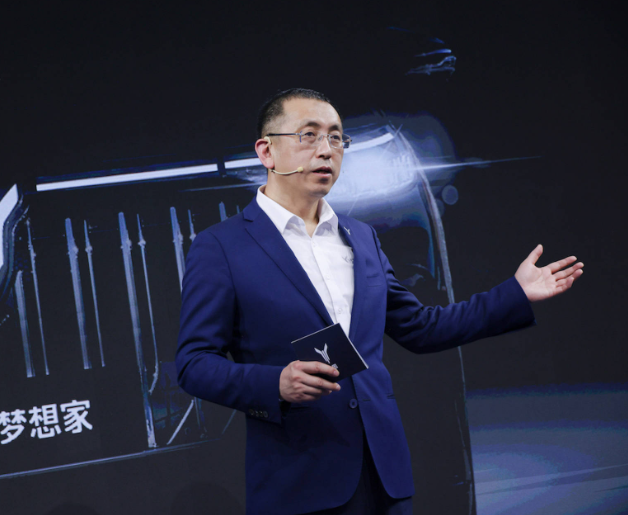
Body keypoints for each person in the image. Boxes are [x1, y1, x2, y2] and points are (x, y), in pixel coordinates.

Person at [175, 88, 583, 515]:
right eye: (308, 135)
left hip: (385, 479)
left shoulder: (362, 237)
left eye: (336, 137)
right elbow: (193, 363)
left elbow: (422, 327)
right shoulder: (221, 246)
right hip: (299, 483)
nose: (326, 150)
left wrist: (514, 293)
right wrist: (274, 384)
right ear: (266, 151)